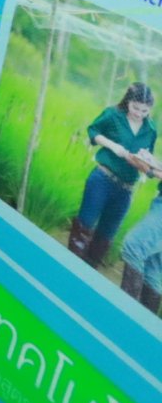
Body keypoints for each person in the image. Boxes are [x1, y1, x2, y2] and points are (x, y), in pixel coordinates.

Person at [70, 83, 159, 266]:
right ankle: (68, 267)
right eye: (135, 108)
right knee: (84, 226)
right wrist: (113, 146)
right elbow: (93, 131)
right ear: (128, 101)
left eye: (144, 110)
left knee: (106, 235)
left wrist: (147, 160)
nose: (139, 113)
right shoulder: (113, 115)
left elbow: (146, 156)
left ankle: (88, 273)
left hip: (125, 190)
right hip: (102, 180)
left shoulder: (150, 129)